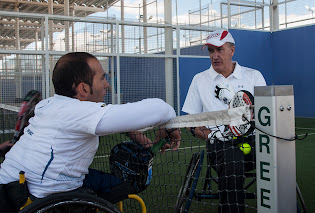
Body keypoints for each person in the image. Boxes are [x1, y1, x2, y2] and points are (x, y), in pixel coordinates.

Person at [0, 52, 180, 207]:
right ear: (83, 88)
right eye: (102, 78)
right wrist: (169, 124)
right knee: (129, 184)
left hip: (9, 186)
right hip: (39, 199)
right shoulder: (79, 112)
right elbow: (161, 109)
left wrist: (134, 132)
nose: (107, 84)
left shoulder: (48, 104)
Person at [182, 29, 266, 213]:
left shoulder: (254, 76)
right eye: (211, 51)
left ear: (232, 50)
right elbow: (191, 122)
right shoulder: (199, 80)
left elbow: (266, 116)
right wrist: (210, 134)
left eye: (220, 50)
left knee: (278, 155)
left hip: (252, 146)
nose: (215, 56)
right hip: (219, 147)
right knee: (231, 157)